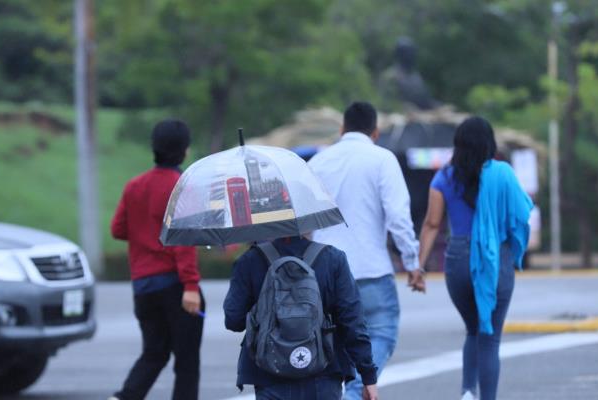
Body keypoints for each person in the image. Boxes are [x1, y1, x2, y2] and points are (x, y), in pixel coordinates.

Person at [308, 101, 424, 399]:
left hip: (323, 272)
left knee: (334, 345)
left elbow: (303, 221)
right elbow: (398, 217)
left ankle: (347, 391)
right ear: (376, 131)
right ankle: (358, 390)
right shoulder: (382, 159)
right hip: (370, 270)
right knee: (382, 333)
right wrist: (412, 264)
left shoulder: (318, 162)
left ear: (342, 128)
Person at [417, 116, 532, 400]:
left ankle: (468, 391)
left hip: (457, 260)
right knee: (489, 337)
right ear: (489, 143)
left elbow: (433, 224)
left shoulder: (444, 176)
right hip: (496, 259)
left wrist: (417, 266)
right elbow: (522, 213)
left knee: (473, 330)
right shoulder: (503, 174)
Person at [109, 119, 204, 400]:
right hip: (176, 285)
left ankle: (123, 397)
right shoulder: (181, 186)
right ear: (185, 151)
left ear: (154, 147)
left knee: (154, 352)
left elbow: (118, 229)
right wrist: (190, 285)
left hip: (143, 286)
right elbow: (183, 239)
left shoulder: (134, 186)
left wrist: (145, 235)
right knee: (186, 361)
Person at [224, 235, 380, 400]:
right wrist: (368, 376)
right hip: (323, 373)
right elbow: (352, 322)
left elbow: (234, 320)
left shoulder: (250, 260)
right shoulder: (333, 258)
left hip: (269, 374)